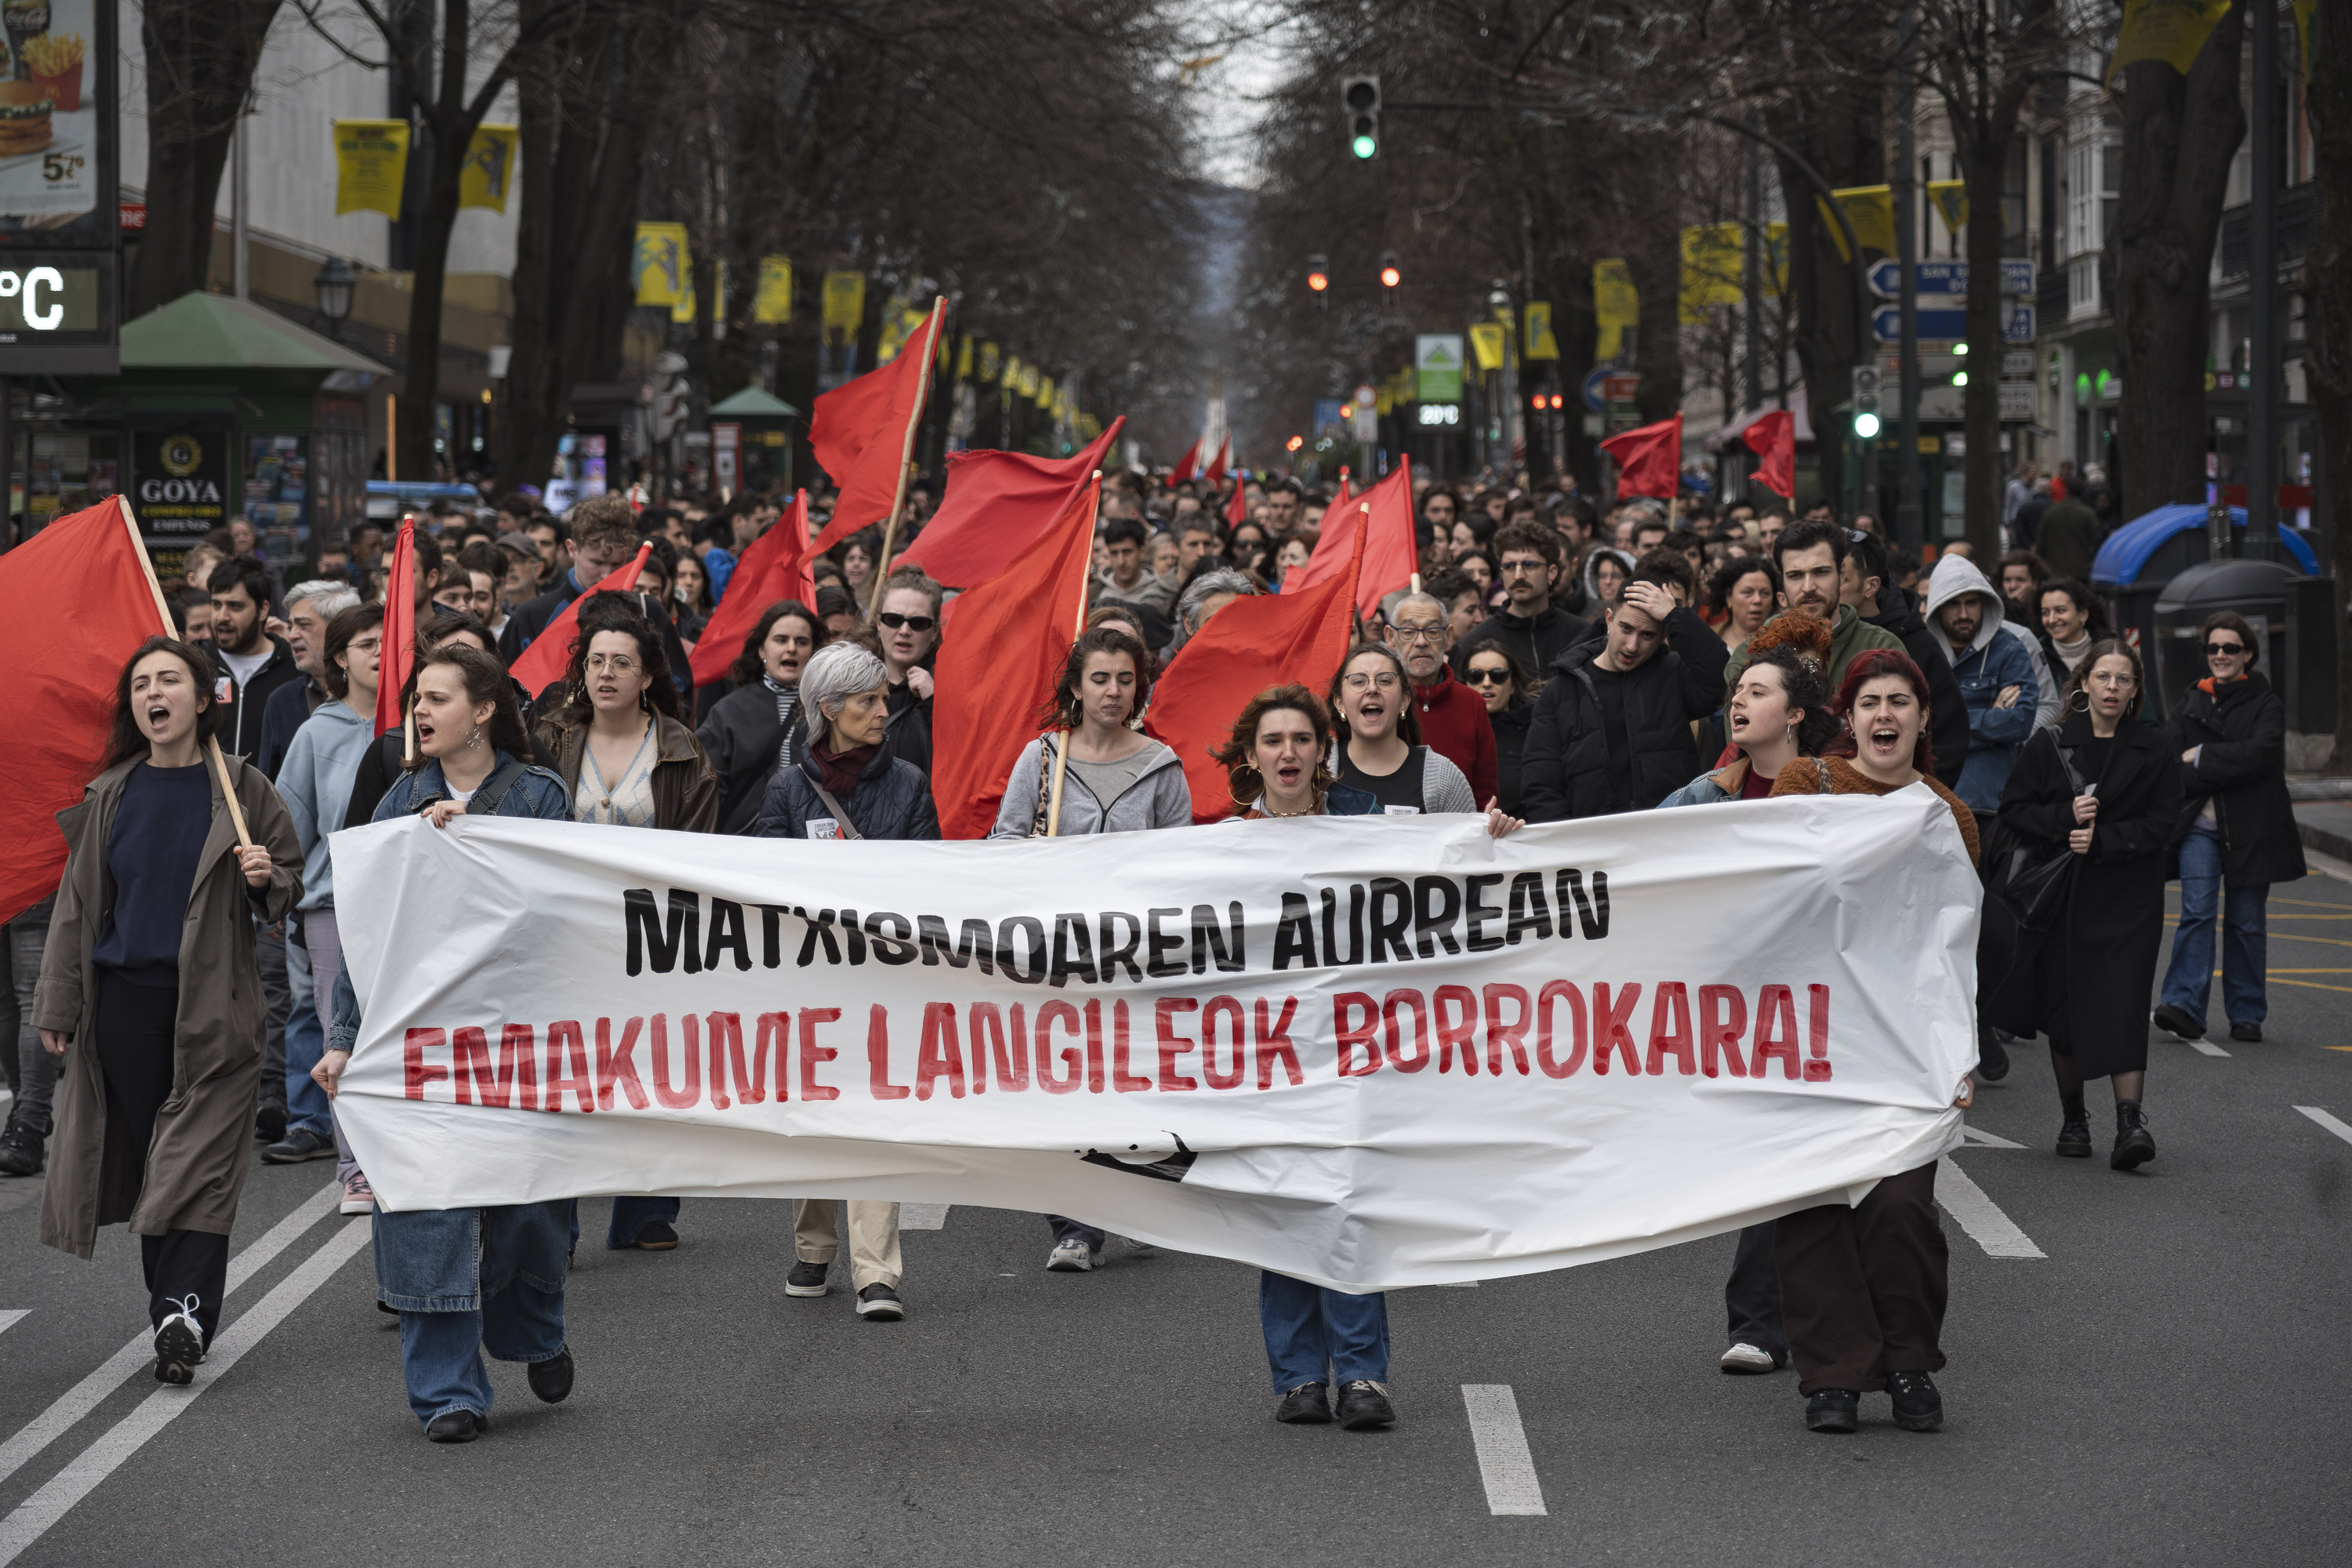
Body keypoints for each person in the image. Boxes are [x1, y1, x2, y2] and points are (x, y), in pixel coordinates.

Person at [1207, 685, 1521, 1432]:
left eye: (1302, 740)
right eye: (1273, 741)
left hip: (1355, 1046)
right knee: (1284, 1208)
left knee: (1346, 1205)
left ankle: (1361, 1376)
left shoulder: (1370, 826)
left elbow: (1441, 875)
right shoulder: (1223, 842)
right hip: (1270, 1052)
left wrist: (1495, 838)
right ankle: (1297, 1378)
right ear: (1252, 757)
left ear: (1324, 751)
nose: (1288, 753)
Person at [317, 642, 578, 1441]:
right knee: (424, 1208)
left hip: (518, 1037)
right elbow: (370, 938)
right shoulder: (397, 803)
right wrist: (343, 1039)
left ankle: (532, 1330)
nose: (420, 713)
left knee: (529, 1206)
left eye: (437, 697)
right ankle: (447, 1393)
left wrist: (482, 838)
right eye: (414, 700)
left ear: (486, 707)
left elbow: (565, 909)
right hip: (420, 1041)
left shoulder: (539, 796)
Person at [32, 638, 303, 1384]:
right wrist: (58, 1002)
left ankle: (184, 1309)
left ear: (203, 697)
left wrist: (263, 876)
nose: (154, 694)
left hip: (217, 1005)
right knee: (159, 1167)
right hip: (126, 1006)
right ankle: (175, 1314)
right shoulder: (111, 794)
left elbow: (290, 882)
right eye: (141, 684)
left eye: (169, 680)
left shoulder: (242, 785)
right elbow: (76, 911)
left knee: (197, 1163)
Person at [1768, 648, 1980, 1432]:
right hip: (1809, 1040)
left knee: (1900, 1207)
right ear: (1847, 718)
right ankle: (1832, 1376)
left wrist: (1957, 1052)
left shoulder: (1948, 815)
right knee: (1815, 1205)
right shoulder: (1804, 787)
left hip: (1902, 1049)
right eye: (1870, 701)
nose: (1885, 714)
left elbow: (1954, 944)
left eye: (1900, 700)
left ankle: (1908, 1360)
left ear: (1922, 718)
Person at [989, 625, 1192, 1269]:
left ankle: (1131, 1204)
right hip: (1055, 957)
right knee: (1060, 1085)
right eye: (1100, 678)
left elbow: (1181, 865)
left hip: (1130, 961)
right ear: (1076, 686)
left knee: (1126, 1084)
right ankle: (1072, 1224)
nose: (1112, 691)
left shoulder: (1162, 765)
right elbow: (1003, 840)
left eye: (1125, 679)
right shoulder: (1042, 758)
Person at [755, 642, 935, 1321]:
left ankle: (876, 1272)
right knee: (814, 1112)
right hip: (811, 977)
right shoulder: (787, 790)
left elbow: (930, 880)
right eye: (866, 702)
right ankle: (814, 1243)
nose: (881, 712)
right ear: (827, 710)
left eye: (883, 699)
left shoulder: (911, 783)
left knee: (873, 1114)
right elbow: (763, 887)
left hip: (884, 977)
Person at [537, 601, 720, 1253]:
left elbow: (700, 846)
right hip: (565, 933)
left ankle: (645, 1210)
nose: (605, 673)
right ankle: (556, 1220)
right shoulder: (551, 737)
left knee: (647, 1066)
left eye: (621, 663)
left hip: (649, 935)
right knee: (567, 1073)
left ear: (647, 677)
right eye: (595, 661)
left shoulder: (680, 748)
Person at [1992, 643, 2180, 1168]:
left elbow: (2167, 821)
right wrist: (2064, 818)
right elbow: (2014, 811)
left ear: (2136, 689)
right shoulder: (2051, 744)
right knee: (2066, 1010)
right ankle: (2074, 1117)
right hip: (2062, 900)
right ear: (2085, 683)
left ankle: (2129, 1123)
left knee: (2123, 1004)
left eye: (2124, 679)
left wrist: (2105, 840)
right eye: (2104, 676)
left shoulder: (2154, 747)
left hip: (2128, 899)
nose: (2113, 687)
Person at [260, 605, 383, 1210]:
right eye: (367, 643)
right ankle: (354, 1167)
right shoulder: (317, 732)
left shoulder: (419, 722)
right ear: (340, 657)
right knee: (343, 1034)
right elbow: (289, 826)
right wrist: (282, 892)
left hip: (407, 905)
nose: (382, 652)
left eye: (391, 641)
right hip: (333, 906)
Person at [2153, 612, 2304, 1045]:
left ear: (2248, 654)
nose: (2220, 655)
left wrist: (2201, 756)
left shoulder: (2265, 702)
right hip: (2199, 827)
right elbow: (2168, 765)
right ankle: (2182, 1005)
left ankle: (2246, 1014)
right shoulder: (2191, 701)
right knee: (2197, 912)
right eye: (2213, 648)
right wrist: (2224, 765)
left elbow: (2262, 755)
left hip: (2253, 828)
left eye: (2230, 648)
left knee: (2246, 923)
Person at [1522, 571, 1730, 820]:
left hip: (1668, 831)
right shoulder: (1560, 691)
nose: (1632, 645)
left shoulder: (1673, 674)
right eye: (1626, 628)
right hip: (1590, 841)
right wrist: (1565, 844)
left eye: (1647, 635)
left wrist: (1676, 617)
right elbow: (1541, 781)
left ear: (1663, 636)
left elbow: (1721, 680)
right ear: (1609, 619)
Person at [1922, 554, 2041, 826]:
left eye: (1972, 603)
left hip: (1989, 803)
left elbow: (2021, 722)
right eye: (1954, 604)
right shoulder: (1923, 651)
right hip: (1932, 801)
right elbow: (1914, 728)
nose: (1964, 614)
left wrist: (1948, 725)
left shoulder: (2009, 649)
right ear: (1938, 605)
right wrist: (1991, 716)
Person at [1846, 532, 1969, 788]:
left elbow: (1950, 736)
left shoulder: (1917, 645)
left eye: (1833, 576)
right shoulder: (1807, 642)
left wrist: (1919, 799)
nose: (1814, 586)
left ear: (1870, 586)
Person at [697, 600, 824, 835]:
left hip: (811, 842)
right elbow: (706, 790)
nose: (792, 648)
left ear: (813, 652)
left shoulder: (828, 710)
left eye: (802, 642)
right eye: (781, 640)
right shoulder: (729, 711)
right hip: (745, 841)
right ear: (762, 650)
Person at [1328, 644, 1480, 815]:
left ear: (1404, 701)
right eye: (1358, 681)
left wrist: (1493, 830)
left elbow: (1470, 839)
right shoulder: (1315, 772)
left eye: (1385, 681)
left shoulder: (1444, 779)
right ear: (1340, 703)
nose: (1372, 689)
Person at [497, 495, 641, 663]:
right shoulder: (532, 616)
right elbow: (502, 685)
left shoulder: (646, 610)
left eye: (617, 564)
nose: (606, 575)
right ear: (572, 549)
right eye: (596, 562)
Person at [1386, 592, 1498, 806]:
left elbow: (1486, 795)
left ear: (1448, 637)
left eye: (1432, 631)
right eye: (1409, 632)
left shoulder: (1471, 703)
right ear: (1391, 637)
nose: (1421, 642)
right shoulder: (1380, 702)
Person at [1450, 521, 1591, 679]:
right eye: (1509, 566)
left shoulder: (1582, 636)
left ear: (1552, 572)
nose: (1518, 575)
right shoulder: (1473, 644)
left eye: (1529, 565)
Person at [256, 581, 361, 780]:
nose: (293, 635)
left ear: (339, 629)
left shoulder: (374, 695)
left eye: (303, 625)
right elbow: (267, 788)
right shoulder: (281, 701)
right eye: (290, 626)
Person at [205, 555, 307, 760]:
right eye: (216, 605)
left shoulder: (295, 668)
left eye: (235, 606)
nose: (222, 616)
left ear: (263, 610)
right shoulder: (196, 666)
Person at [1459, 639, 1539, 818]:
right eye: (1476, 675)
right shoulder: (1453, 730)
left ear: (1513, 684)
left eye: (1498, 675)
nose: (1486, 683)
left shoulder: (1536, 730)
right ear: (1465, 683)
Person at [872, 567, 940, 774]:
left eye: (918, 623)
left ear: (935, 631)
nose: (904, 631)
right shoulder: (848, 683)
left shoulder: (952, 690)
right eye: (893, 619)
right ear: (878, 623)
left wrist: (935, 703)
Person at [1096, 517, 1176, 615]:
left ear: (1142, 552)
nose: (1121, 562)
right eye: (1114, 553)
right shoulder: (1095, 592)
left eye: (1127, 552)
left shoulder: (1160, 593)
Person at [2037, 576, 2105, 681]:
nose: (2051, 620)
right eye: (2045, 613)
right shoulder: (2035, 653)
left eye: (2060, 610)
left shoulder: (2109, 651)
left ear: (2083, 614)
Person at [1706, 556, 1777, 656]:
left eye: (1765, 593)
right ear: (1729, 597)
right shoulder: (1708, 640)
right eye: (1747, 592)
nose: (1757, 600)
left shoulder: (1783, 644)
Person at [2034, 485, 2100, 584]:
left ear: (2067, 491)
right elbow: (2096, 539)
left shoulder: (2050, 513)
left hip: (2055, 569)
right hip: (2081, 569)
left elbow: (2041, 542)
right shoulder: (2088, 514)